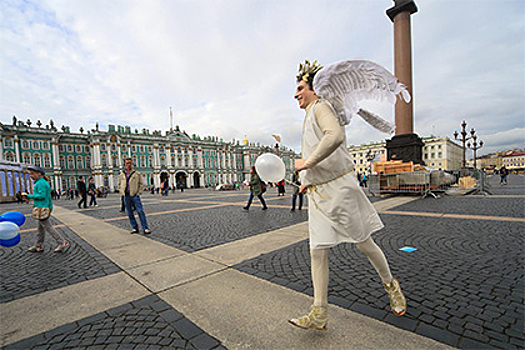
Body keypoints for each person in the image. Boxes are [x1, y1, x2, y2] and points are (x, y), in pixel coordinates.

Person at [288, 60, 406, 331]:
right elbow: (317, 149)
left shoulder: (321, 107)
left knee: (364, 243)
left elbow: (335, 136)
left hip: (340, 190)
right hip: (319, 193)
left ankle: (391, 285)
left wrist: (305, 164)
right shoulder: (309, 115)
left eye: (300, 88)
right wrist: (307, 179)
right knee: (317, 251)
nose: (296, 94)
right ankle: (319, 311)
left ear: (314, 88)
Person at [23, 166, 69, 253]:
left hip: (43, 208)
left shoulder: (40, 183)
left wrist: (28, 196)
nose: (31, 176)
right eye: (30, 174)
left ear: (39, 173)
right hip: (43, 207)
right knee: (40, 228)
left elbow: (42, 196)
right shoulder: (41, 182)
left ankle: (62, 242)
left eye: (32, 174)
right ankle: (38, 245)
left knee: (48, 227)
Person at [118, 158, 151, 234]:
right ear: (125, 164)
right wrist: (121, 191)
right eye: (127, 163)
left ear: (132, 164)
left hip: (135, 195)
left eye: (130, 163)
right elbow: (119, 184)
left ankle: (145, 228)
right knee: (129, 212)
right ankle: (134, 227)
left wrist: (138, 193)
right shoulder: (122, 174)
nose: (128, 165)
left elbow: (141, 184)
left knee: (140, 211)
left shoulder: (137, 174)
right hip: (126, 195)